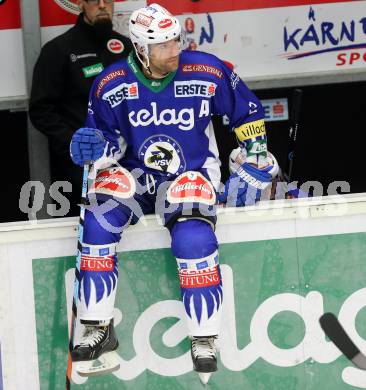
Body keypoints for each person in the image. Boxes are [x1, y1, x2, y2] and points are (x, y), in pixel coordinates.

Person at [68, 3, 278, 384]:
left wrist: (256, 157)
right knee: (96, 224)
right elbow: (108, 141)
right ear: (140, 49)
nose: (173, 50)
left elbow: (246, 113)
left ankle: (204, 337)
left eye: (174, 40)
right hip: (136, 175)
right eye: (162, 45)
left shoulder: (206, 69)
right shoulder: (112, 83)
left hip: (191, 172)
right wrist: (93, 149)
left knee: (194, 238)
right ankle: (97, 327)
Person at [29, 0, 133, 216]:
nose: (103, 5)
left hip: (127, 158)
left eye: (108, 0)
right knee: (92, 225)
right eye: (95, 0)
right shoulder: (58, 50)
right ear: (81, 4)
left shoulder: (127, 48)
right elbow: (41, 109)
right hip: (81, 166)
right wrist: (76, 143)